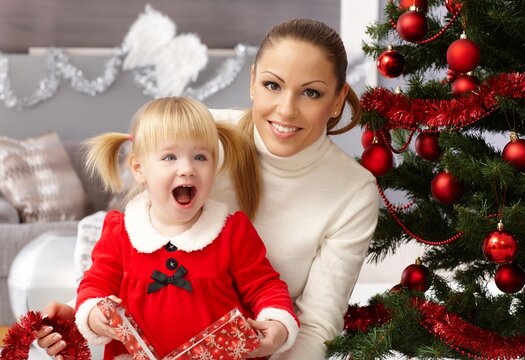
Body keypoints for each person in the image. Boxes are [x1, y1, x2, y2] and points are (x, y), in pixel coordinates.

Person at [37, 18, 379, 360]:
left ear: (337, 100)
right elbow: (140, 244)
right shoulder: (201, 133)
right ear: (253, 82)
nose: (287, 109)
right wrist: (83, 313)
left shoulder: (352, 192)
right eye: (273, 85)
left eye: (311, 92)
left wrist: (275, 334)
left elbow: (316, 325)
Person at [72, 96, 299, 359]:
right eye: (170, 157)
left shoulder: (230, 231)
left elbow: (265, 286)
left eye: (200, 157)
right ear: (139, 168)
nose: (188, 169)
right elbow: (95, 283)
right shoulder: (121, 232)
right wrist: (92, 314)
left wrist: (278, 325)